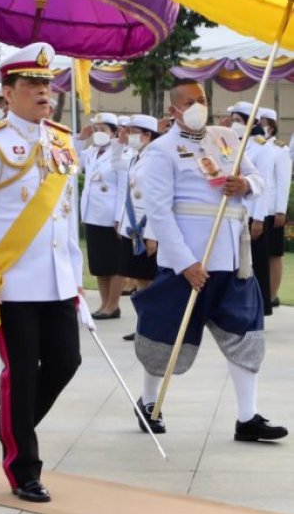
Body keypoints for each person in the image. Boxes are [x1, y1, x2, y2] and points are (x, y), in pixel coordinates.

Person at [0, 43, 91, 503]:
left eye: (47, 84)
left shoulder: (60, 140)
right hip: (10, 283)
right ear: (8, 92)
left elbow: (64, 218)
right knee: (23, 373)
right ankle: (24, 470)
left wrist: (75, 279)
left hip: (54, 279)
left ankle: (7, 423)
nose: (44, 93)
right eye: (33, 85)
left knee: (66, 362)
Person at [132, 81, 287, 442]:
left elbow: (259, 178)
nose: (198, 106)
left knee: (245, 335)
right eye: (189, 102)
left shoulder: (227, 139)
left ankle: (247, 418)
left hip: (233, 262)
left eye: (201, 99)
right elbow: (159, 212)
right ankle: (149, 403)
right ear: (173, 111)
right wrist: (185, 262)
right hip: (187, 264)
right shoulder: (160, 151)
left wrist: (245, 185)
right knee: (164, 336)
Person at [114, 115, 160, 341]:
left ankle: (152, 326)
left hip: (145, 229)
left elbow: (157, 198)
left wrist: (152, 234)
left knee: (149, 280)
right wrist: (118, 143)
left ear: (147, 135)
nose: (128, 136)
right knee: (140, 280)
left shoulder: (156, 159)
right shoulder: (135, 157)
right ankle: (144, 324)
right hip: (131, 227)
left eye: (132, 132)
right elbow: (116, 164)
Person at [227, 101, 275, 316]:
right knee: (241, 265)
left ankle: (261, 306)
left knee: (256, 265)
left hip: (253, 214)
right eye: (233, 120)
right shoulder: (236, 144)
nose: (233, 124)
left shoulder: (261, 147)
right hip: (237, 213)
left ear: (251, 122)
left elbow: (263, 184)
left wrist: (259, 219)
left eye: (238, 120)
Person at [78, 112, 124, 319]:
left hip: (110, 216)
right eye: (96, 129)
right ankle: (104, 304)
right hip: (92, 214)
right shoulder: (90, 152)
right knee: (98, 264)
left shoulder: (120, 152)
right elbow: (73, 163)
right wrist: (81, 138)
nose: (98, 133)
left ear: (114, 132)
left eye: (103, 129)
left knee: (114, 263)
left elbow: (123, 187)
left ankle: (113, 304)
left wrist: (119, 216)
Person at [258, 108, 291, 308]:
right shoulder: (252, 147)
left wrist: (281, 209)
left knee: (274, 254)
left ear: (271, 125)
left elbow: (283, 182)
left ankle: (272, 294)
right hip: (255, 211)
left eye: (263, 122)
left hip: (271, 210)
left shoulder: (280, 149)